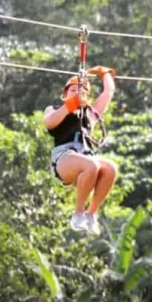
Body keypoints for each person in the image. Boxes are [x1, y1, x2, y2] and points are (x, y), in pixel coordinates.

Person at [43, 66, 117, 235]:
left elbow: (108, 92)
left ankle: (90, 215)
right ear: (65, 94)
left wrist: (104, 73)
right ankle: (78, 214)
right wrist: (72, 104)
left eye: (81, 91)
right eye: (73, 90)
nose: (77, 92)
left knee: (110, 168)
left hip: (85, 155)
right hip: (64, 157)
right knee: (91, 165)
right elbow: (49, 122)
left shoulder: (90, 114)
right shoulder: (55, 109)